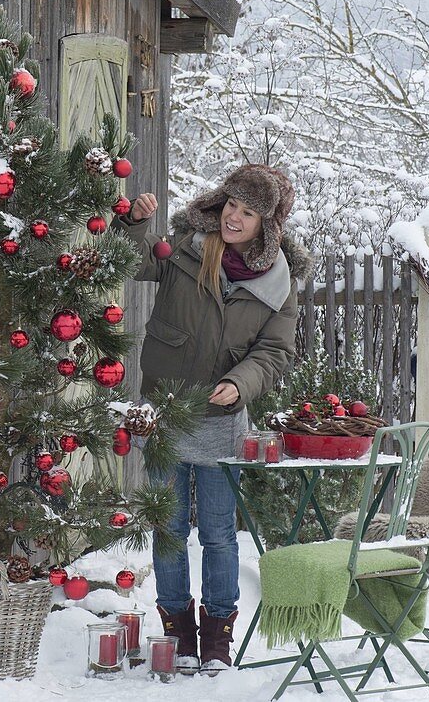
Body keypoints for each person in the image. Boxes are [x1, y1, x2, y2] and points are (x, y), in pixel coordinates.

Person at [111, 164, 311, 675]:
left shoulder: (279, 283)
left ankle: (218, 637)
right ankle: (177, 631)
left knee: (219, 534)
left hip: (222, 419)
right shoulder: (187, 247)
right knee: (170, 527)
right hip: (165, 409)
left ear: (267, 224)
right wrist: (133, 222)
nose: (234, 218)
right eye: (231, 205)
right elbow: (134, 262)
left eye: (248, 212)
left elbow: (275, 351)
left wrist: (241, 383)